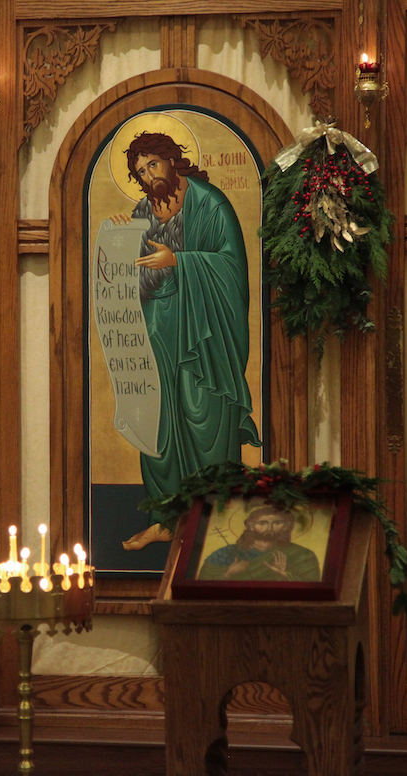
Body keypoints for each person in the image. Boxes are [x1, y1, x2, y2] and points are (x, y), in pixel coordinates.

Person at [106, 132, 260, 550]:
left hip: (204, 333)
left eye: (153, 164)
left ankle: (217, 519)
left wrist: (178, 260)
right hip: (158, 324)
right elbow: (135, 273)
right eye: (141, 172)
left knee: (202, 413)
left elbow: (230, 266)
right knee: (157, 418)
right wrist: (121, 240)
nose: (148, 176)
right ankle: (164, 519)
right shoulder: (144, 211)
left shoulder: (210, 204)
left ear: (172, 160)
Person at [198, 505, 320, 582]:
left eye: (277, 523)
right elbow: (203, 584)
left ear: (286, 526)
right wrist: (229, 574)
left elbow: (312, 587)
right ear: (251, 526)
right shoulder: (226, 554)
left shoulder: (302, 554)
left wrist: (283, 574)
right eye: (262, 523)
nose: (269, 528)